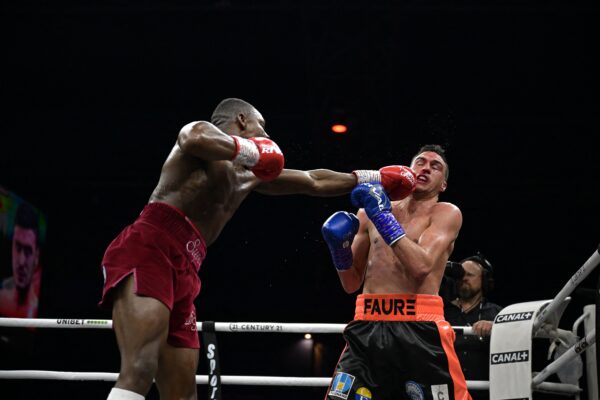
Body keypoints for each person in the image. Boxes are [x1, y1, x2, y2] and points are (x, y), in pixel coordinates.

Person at [98, 97, 416, 400]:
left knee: (182, 393)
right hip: (151, 246)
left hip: (188, 266)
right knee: (140, 369)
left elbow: (312, 181)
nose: (267, 136)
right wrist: (250, 150)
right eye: (261, 126)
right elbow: (192, 137)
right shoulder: (203, 138)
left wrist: (372, 178)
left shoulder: (248, 175)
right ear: (242, 120)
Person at [321, 144, 471, 400]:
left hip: (420, 328)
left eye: (435, 167)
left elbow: (421, 266)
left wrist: (382, 217)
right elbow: (350, 283)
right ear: (408, 171)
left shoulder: (445, 213)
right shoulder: (369, 212)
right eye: (420, 162)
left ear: (443, 184)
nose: (426, 168)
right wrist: (339, 249)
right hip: (367, 325)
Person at [444, 253, 502, 398]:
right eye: (461, 275)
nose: (464, 278)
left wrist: (497, 326)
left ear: (484, 281)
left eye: (470, 275)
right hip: (448, 392)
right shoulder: (441, 312)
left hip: (484, 394)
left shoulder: (497, 313)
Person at [0, 201, 42, 319]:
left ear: (36, 256)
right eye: (18, 248)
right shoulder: (1, 297)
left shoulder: (35, 313)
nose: (22, 262)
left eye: (28, 251)